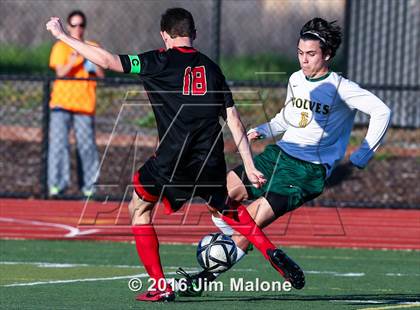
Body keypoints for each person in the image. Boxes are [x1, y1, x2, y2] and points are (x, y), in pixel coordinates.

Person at [46, 7, 306, 302]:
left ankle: (160, 285)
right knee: (231, 211)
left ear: (164, 35)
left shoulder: (156, 61)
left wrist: (62, 35)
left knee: (139, 209)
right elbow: (234, 121)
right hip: (209, 161)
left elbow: (105, 60)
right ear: (193, 34)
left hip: (171, 160)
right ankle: (271, 252)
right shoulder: (212, 68)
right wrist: (248, 163)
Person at [176, 17, 392, 297]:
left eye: (311, 54)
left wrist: (363, 154)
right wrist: (265, 130)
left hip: (305, 173)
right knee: (219, 196)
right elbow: (288, 118)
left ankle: (205, 277)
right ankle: (230, 244)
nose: (304, 60)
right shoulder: (295, 79)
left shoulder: (342, 88)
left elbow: (382, 111)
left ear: (327, 54)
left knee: (247, 227)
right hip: (277, 155)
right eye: (300, 53)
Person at [48, 10, 104, 198]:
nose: (77, 29)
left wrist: (92, 60)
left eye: (81, 25)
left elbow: (102, 74)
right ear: (68, 26)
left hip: (84, 105)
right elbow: (60, 73)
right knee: (59, 145)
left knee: (87, 147)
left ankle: (89, 187)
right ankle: (56, 186)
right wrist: (74, 60)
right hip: (61, 103)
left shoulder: (92, 46)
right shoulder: (60, 47)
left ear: (84, 27)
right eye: (73, 25)